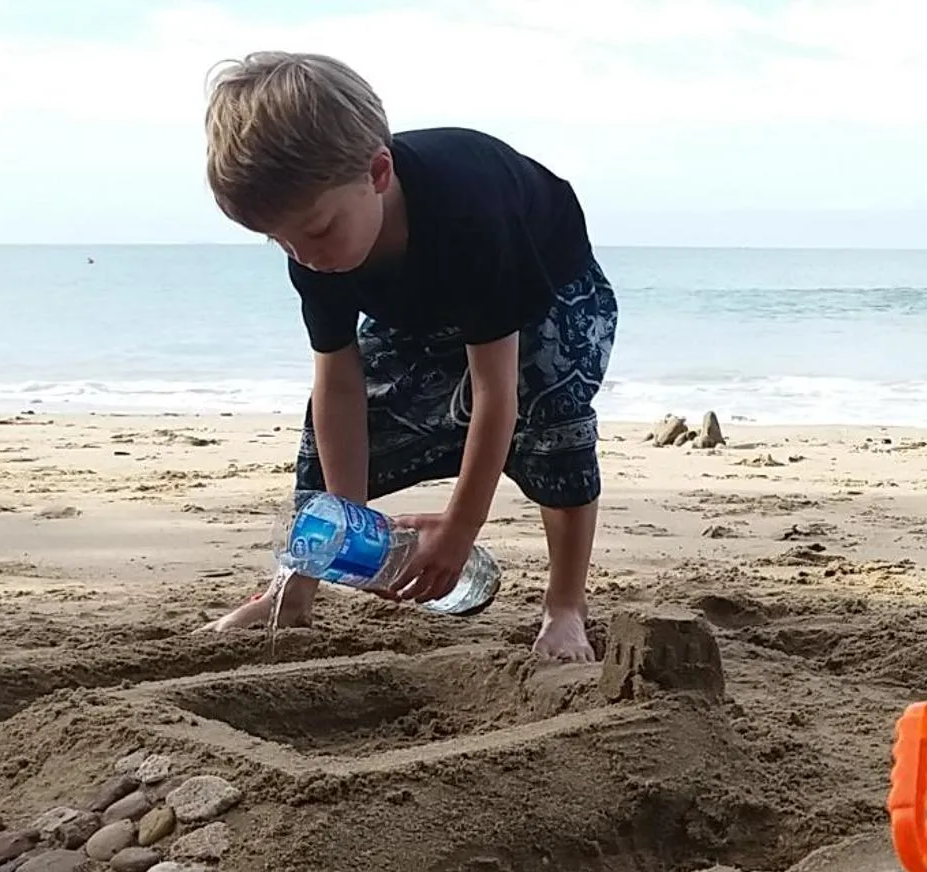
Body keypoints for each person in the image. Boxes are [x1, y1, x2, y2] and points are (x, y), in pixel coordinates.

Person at [197, 51, 616, 661]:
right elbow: (338, 384)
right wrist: (350, 526)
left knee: (549, 406)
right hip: (424, 311)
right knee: (325, 428)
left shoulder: (469, 211)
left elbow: (495, 394)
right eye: (278, 240)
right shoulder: (316, 243)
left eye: (314, 231)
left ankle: (565, 607)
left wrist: (457, 533)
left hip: (548, 294)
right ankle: (293, 593)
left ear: (378, 173)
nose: (301, 254)